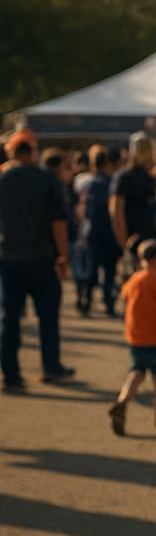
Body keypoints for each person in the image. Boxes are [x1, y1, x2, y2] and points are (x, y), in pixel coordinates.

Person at [0, 129, 75, 391]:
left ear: (11, 151)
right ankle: (51, 366)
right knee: (48, 317)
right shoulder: (46, 179)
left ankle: (10, 373)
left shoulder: (3, 178)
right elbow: (58, 222)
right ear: (32, 151)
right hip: (42, 256)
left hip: (9, 257)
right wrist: (63, 255)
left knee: (9, 318)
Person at [108, 239, 156, 434]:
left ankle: (123, 400)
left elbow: (123, 299)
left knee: (136, 371)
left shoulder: (134, 279)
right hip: (155, 337)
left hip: (135, 336)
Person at [75, 145, 123, 316]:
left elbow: (82, 211)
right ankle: (108, 303)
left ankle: (86, 299)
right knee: (109, 272)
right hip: (109, 234)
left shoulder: (89, 184)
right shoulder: (114, 184)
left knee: (90, 270)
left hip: (91, 233)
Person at [110, 131, 156, 255]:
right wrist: (124, 243)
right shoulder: (124, 177)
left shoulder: (151, 178)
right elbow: (116, 212)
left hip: (151, 240)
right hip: (132, 239)